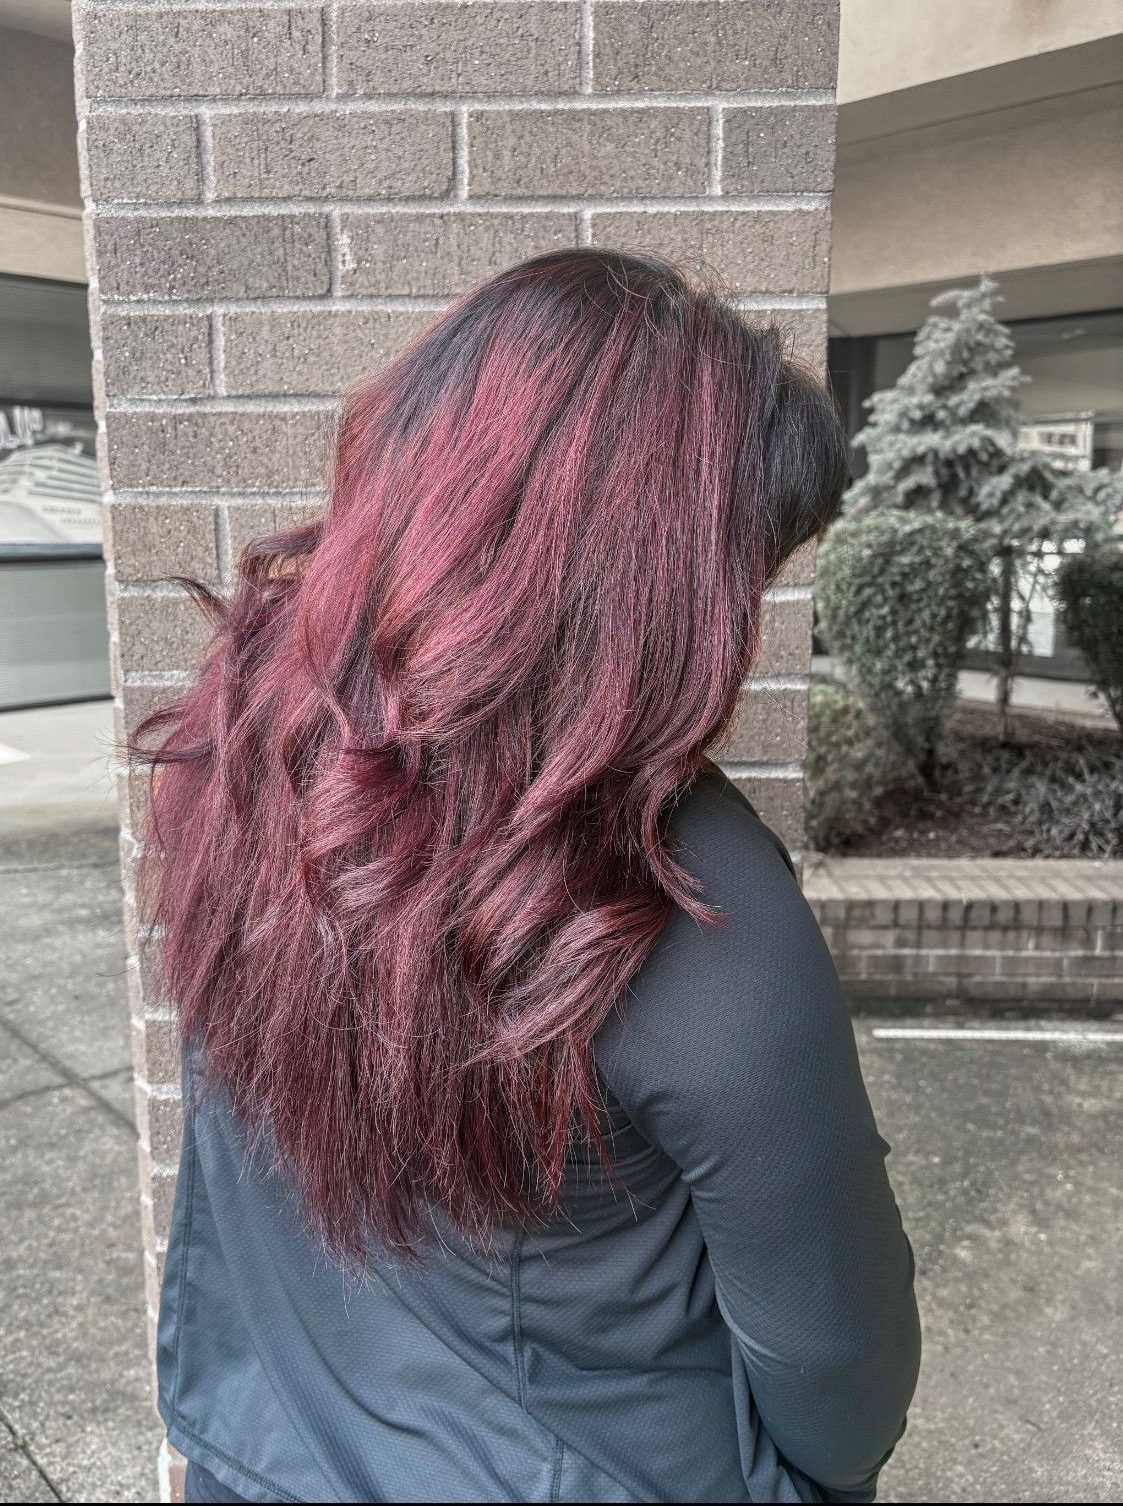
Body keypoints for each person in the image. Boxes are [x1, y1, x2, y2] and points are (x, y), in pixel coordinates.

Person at [133, 249, 919, 1504]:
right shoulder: (684, 896)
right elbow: (837, 1362)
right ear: (648, 587)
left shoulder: (245, 751)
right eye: (742, 578)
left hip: (268, 1458)